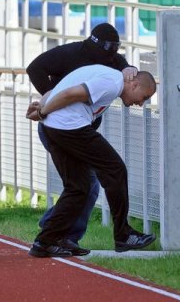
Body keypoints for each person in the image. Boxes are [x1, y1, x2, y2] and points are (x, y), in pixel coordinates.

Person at [26, 23, 138, 256]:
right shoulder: (71, 53)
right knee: (90, 184)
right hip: (62, 123)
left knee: (81, 186)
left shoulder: (113, 62)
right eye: (108, 50)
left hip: (72, 125)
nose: (111, 56)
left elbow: (131, 77)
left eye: (115, 52)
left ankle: (53, 235)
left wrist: (130, 67)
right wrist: (51, 105)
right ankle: (60, 232)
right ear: (94, 45)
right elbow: (36, 69)